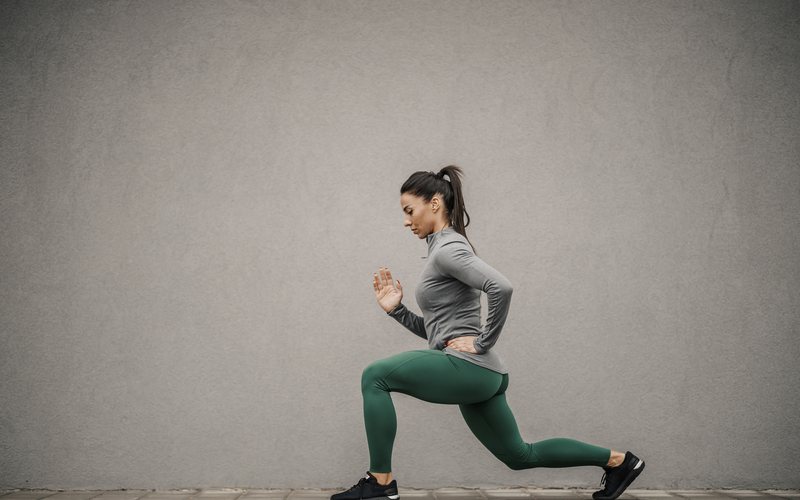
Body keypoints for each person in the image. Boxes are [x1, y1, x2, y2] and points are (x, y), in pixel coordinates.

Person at [331, 165, 645, 500]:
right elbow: (439, 334)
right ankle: (619, 462)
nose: (406, 221)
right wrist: (398, 311)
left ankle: (380, 483)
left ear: (434, 204)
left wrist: (483, 342)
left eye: (410, 211)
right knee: (520, 456)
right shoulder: (442, 250)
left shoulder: (449, 249)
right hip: (485, 375)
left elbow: (502, 287)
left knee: (374, 376)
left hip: (471, 367)